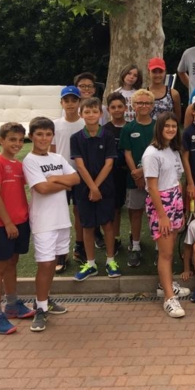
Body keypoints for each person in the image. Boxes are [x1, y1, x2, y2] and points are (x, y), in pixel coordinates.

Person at [22, 116, 81, 332]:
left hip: (61, 219)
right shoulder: (30, 161)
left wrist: (54, 179)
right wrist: (62, 183)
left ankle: (44, 299)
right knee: (45, 264)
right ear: (31, 136)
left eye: (48, 134)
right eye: (39, 134)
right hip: (43, 221)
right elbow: (42, 189)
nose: (44, 138)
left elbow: (76, 179)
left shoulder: (57, 157)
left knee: (54, 261)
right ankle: (40, 308)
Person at [0, 122, 33, 335]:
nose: (17, 143)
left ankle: (12, 304)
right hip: (1, 225)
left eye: (21, 140)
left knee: (13, 261)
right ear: (1, 140)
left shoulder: (18, 165)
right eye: (12, 139)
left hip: (20, 222)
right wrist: (7, 222)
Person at [143, 112, 188, 318]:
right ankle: (169, 298)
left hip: (175, 199)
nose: (170, 129)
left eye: (173, 126)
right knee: (166, 253)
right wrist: (162, 216)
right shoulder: (151, 154)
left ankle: (166, 284)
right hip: (161, 204)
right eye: (166, 126)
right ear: (159, 128)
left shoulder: (173, 150)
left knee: (170, 248)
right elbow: (152, 187)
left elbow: (177, 179)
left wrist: (180, 207)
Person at [70, 98, 120, 281]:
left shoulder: (108, 136)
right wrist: (92, 188)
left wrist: (96, 188)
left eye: (94, 111)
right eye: (87, 112)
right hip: (84, 189)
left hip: (105, 188)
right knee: (88, 226)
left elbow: (109, 164)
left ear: (100, 114)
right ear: (81, 114)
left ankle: (110, 261)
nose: (91, 115)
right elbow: (80, 166)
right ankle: (91, 264)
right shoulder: (75, 138)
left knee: (108, 225)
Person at [120, 88, 156, 268]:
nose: (144, 106)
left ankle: (159, 246)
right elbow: (127, 152)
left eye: (147, 103)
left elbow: (160, 151)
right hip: (134, 179)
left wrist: (143, 171)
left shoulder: (158, 126)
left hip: (156, 179)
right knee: (135, 212)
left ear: (152, 106)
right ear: (133, 105)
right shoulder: (128, 128)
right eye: (140, 103)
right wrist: (136, 173)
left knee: (156, 213)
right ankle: (135, 246)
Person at [50, 85, 84, 271]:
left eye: (74, 100)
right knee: (60, 214)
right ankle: (60, 252)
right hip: (61, 177)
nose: (70, 104)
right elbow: (52, 151)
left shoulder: (85, 123)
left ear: (79, 102)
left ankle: (79, 246)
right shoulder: (55, 125)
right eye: (66, 100)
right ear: (61, 103)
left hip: (81, 175)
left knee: (79, 212)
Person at [103, 92, 128, 253]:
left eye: (120, 106)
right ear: (108, 110)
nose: (117, 110)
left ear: (125, 108)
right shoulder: (104, 130)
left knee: (133, 208)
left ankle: (134, 238)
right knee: (115, 208)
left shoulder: (131, 126)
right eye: (113, 107)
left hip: (130, 174)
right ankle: (115, 238)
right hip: (112, 175)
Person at [147, 57, 182, 121]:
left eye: (160, 72)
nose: (157, 75)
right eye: (154, 72)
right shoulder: (143, 94)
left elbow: (177, 118)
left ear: (165, 72)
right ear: (148, 72)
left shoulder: (173, 94)